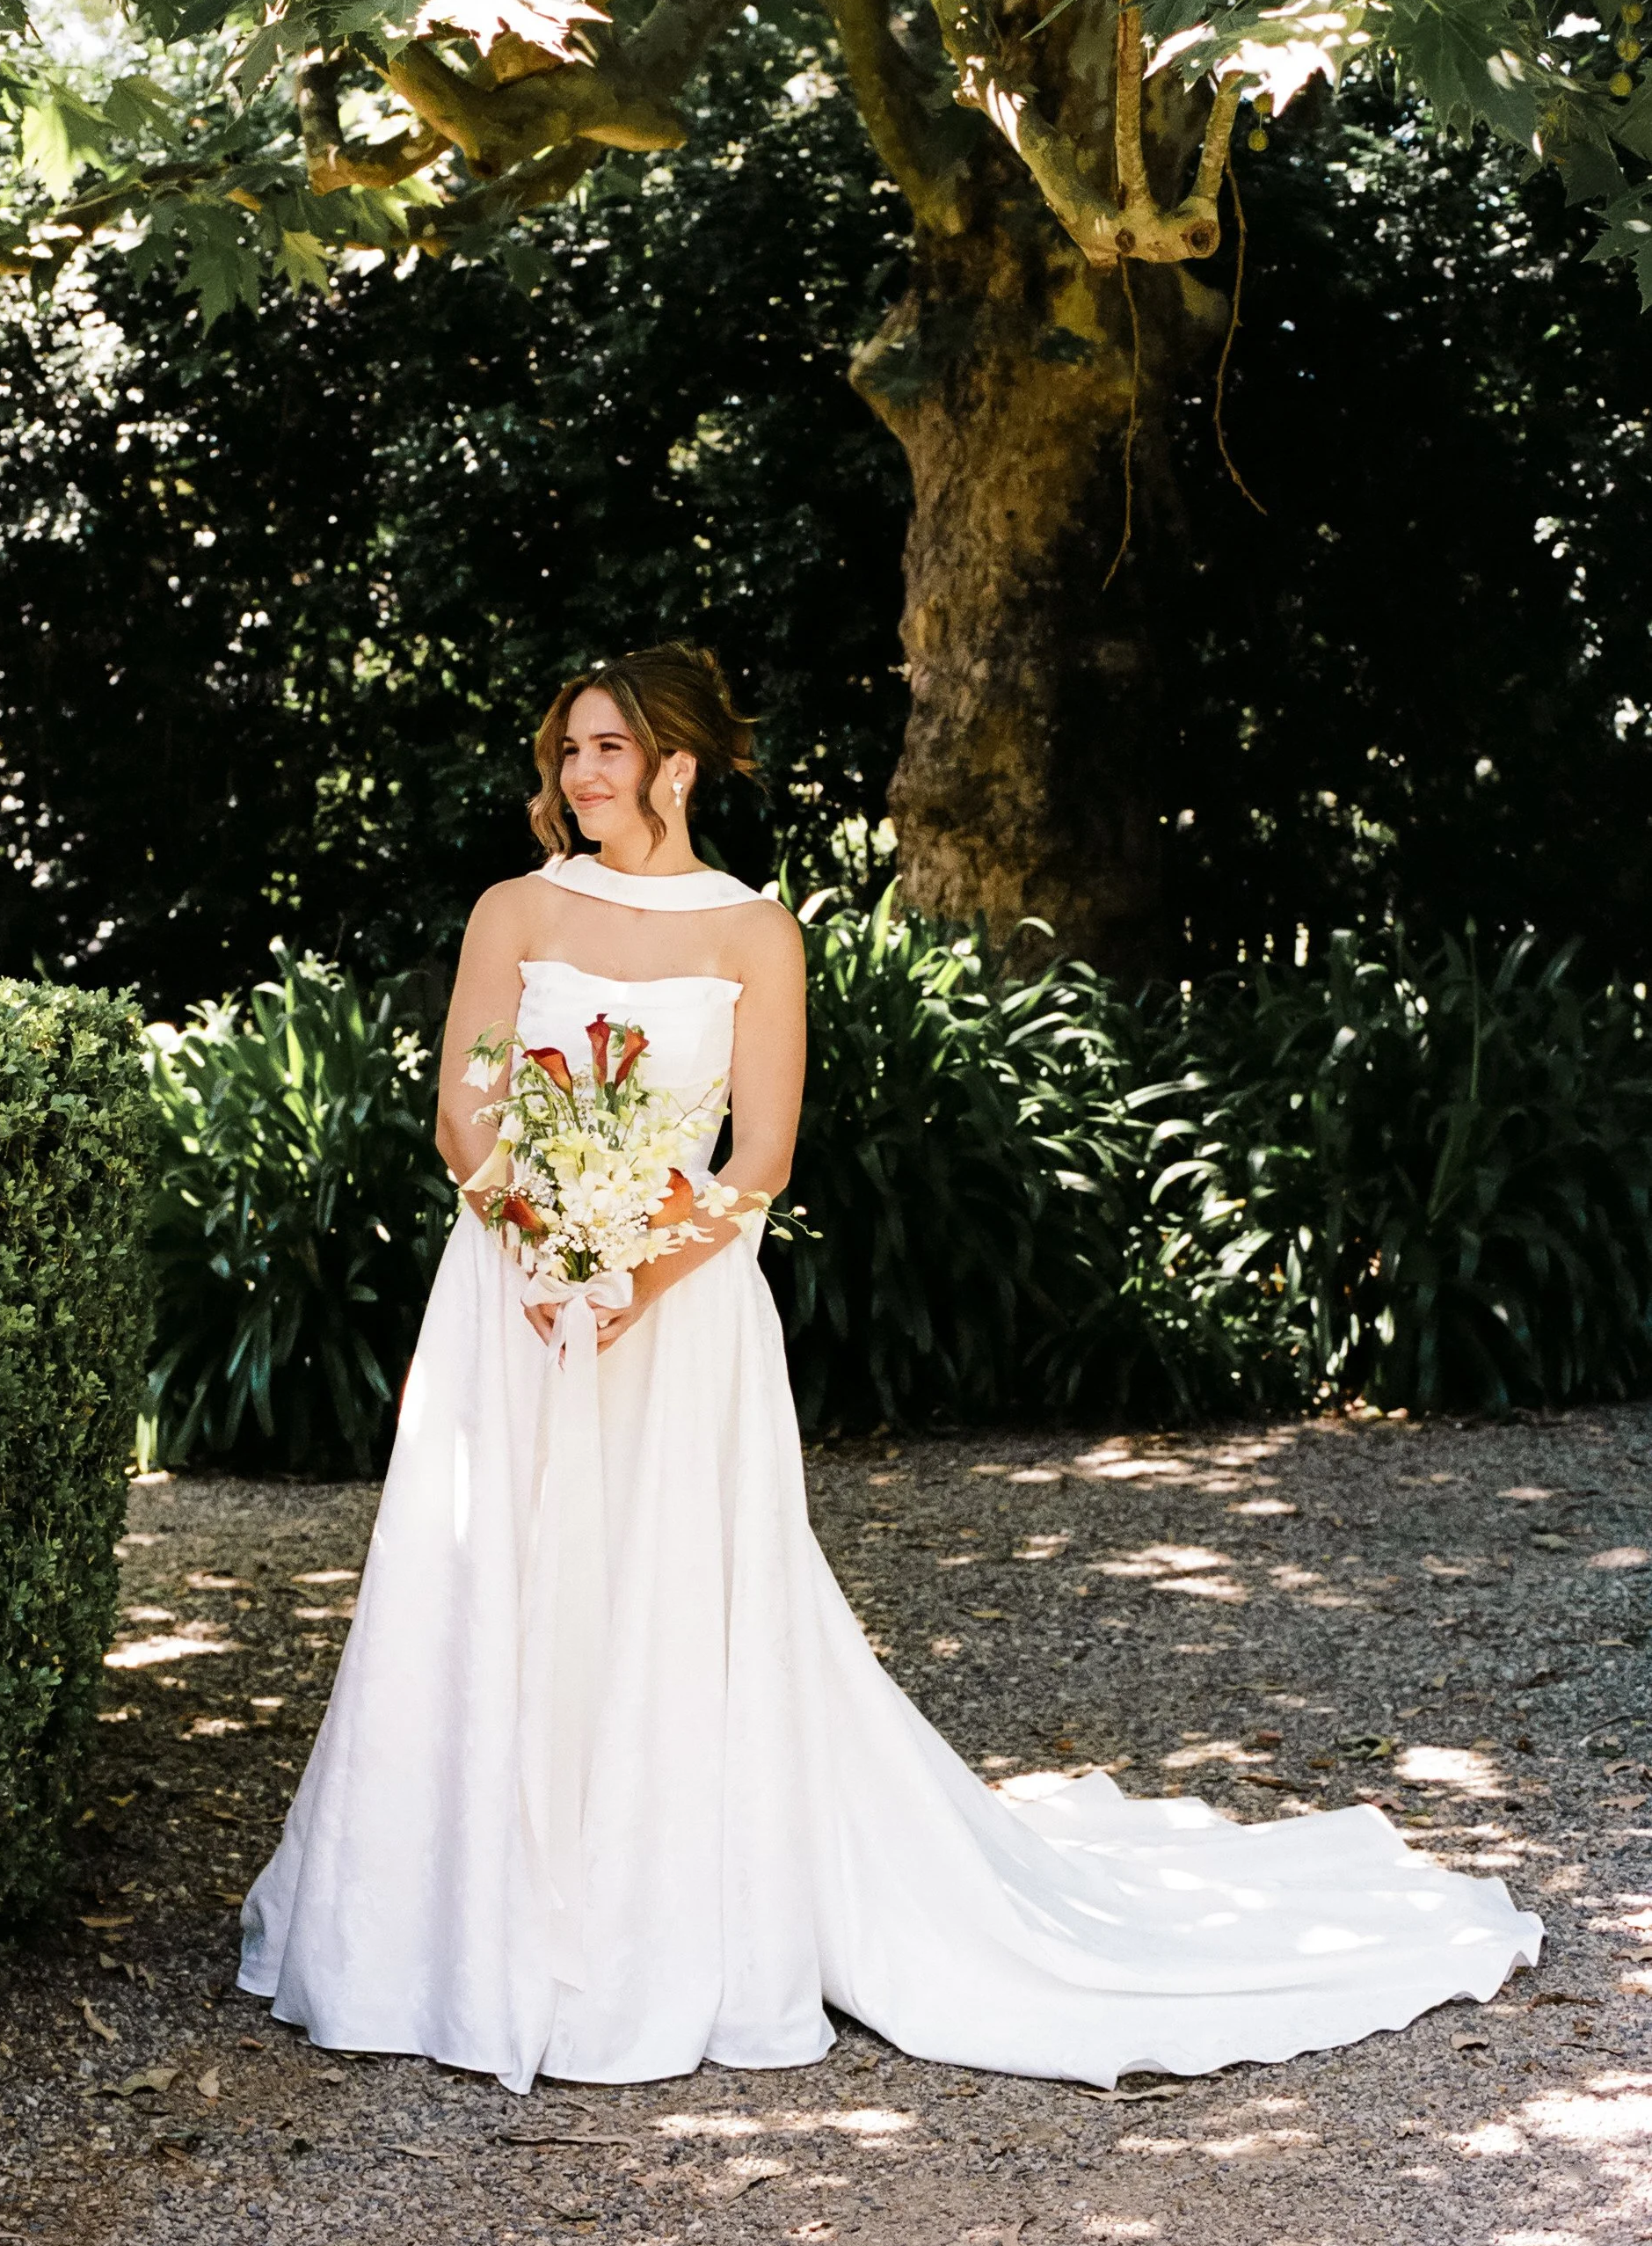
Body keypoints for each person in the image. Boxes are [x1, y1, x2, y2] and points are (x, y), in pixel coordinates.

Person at [238, 643, 1540, 2094]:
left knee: (664, 1584)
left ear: (676, 763)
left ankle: (657, 1918)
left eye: (607, 749)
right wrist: (540, 1247)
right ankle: (450, 1926)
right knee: (487, 1579)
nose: (579, 775)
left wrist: (631, 1275)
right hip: (508, 1299)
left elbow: (762, 1155)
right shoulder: (515, 908)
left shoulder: (754, 932)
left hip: (675, 1309)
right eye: (567, 752)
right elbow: (462, 1110)